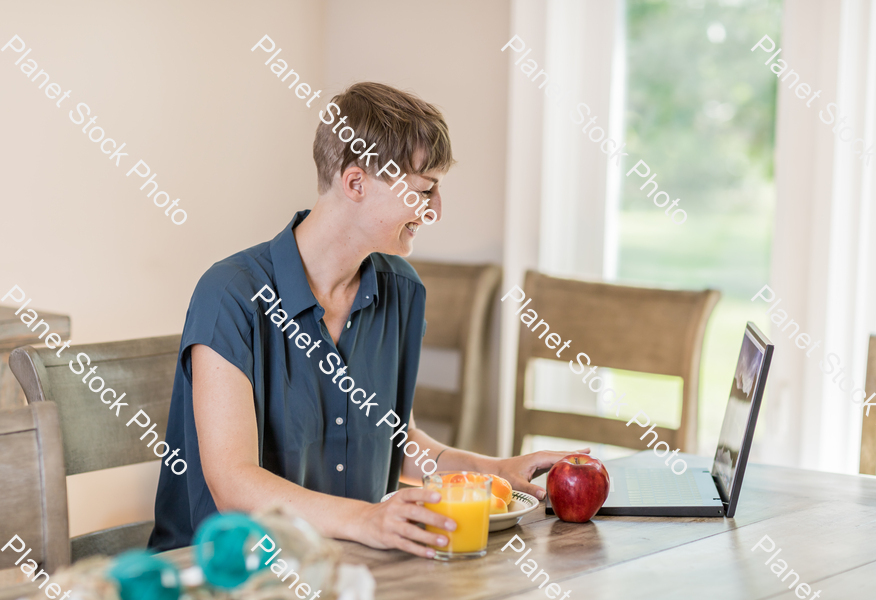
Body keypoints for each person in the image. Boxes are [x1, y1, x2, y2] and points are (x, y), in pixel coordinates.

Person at [148, 82, 586, 558]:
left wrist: (496, 472)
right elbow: (233, 483)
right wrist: (368, 519)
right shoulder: (231, 294)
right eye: (424, 190)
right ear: (355, 183)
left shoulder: (401, 290)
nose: (436, 209)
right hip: (229, 574)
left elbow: (398, 440)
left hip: (342, 563)